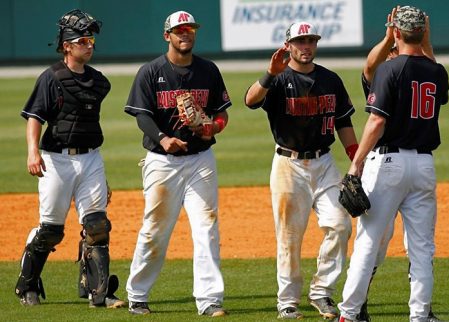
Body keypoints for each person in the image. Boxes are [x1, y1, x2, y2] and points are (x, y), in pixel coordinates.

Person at [337, 6, 449, 322]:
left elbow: (375, 123)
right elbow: (428, 63)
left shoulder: (390, 69)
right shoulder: (437, 71)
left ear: (396, 33)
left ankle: (348, 313)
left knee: (368, 244)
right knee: (422, 249)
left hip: (387, 163)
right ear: (423, 33)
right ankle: (419, 315)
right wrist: (423, 33)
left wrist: (355, 165)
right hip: (424, 167)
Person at [245, 22, 358, 320]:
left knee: (340, 226)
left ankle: (322, 293)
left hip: (325, 163)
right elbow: (250, 100)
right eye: (299, 41)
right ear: (288, 46)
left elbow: (343, 122)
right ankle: (288, 300)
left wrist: (355, 158)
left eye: (310, 40)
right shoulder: (279, 80)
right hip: (288, 165)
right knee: (289, 236)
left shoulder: (330, 79)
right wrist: (270, 73)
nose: (306, 46)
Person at [15, 9, 125, 309]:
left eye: (91, 39)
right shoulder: (51, 78)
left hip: (90, 159)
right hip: (56, 160)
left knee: (98, 225)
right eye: (82, 40)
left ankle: (97, 292)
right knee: (51, 230)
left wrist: (99, 174)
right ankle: (27, 284)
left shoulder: (99, 82)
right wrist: (33, 151)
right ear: (67, 45)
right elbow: (35, 117)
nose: (89, 45)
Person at [124, 10, 231, 317]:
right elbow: (142, 115)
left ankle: (210, 299)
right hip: (163, 162)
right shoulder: (150, 72)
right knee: (155, 230)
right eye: (179, 30)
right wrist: (162, 138)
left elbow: (222, 113)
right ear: (167, 36)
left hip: (201, 160)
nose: (186, 34)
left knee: (206, 228)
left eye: (190, 30)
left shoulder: (208, 70)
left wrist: (213, 127)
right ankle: (138, 294)